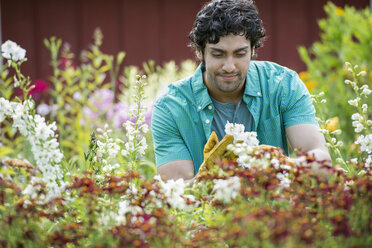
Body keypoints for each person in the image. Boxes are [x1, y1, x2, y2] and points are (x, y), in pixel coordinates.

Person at [151, 0, 331, 181]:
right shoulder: (170, 108)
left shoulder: (284, 85)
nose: (229, 67)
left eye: (240, 54)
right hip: (209, 208)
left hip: (276, 207)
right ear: (200, 52)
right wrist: (212, 176)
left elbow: (321, 161)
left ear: (253, 50)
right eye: (218, 54)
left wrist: (273, 164)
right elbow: (177, 193)